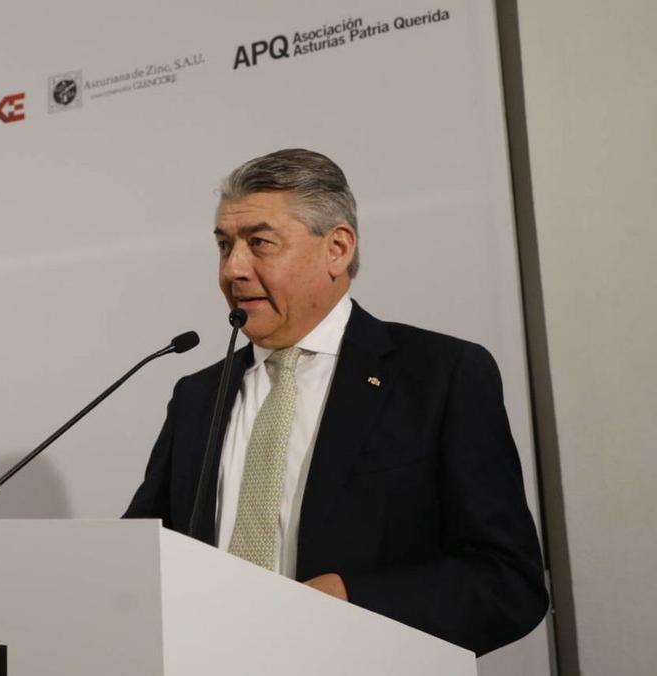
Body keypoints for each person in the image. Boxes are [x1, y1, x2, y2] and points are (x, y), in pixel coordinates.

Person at [124, 149, 548, 655]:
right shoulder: (197, 395)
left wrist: (350, 600)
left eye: (259, 243)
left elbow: (506, 582)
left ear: (338, 248)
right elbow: (144, 560)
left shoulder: (439, 375)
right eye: (224, 245)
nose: (233, 268)